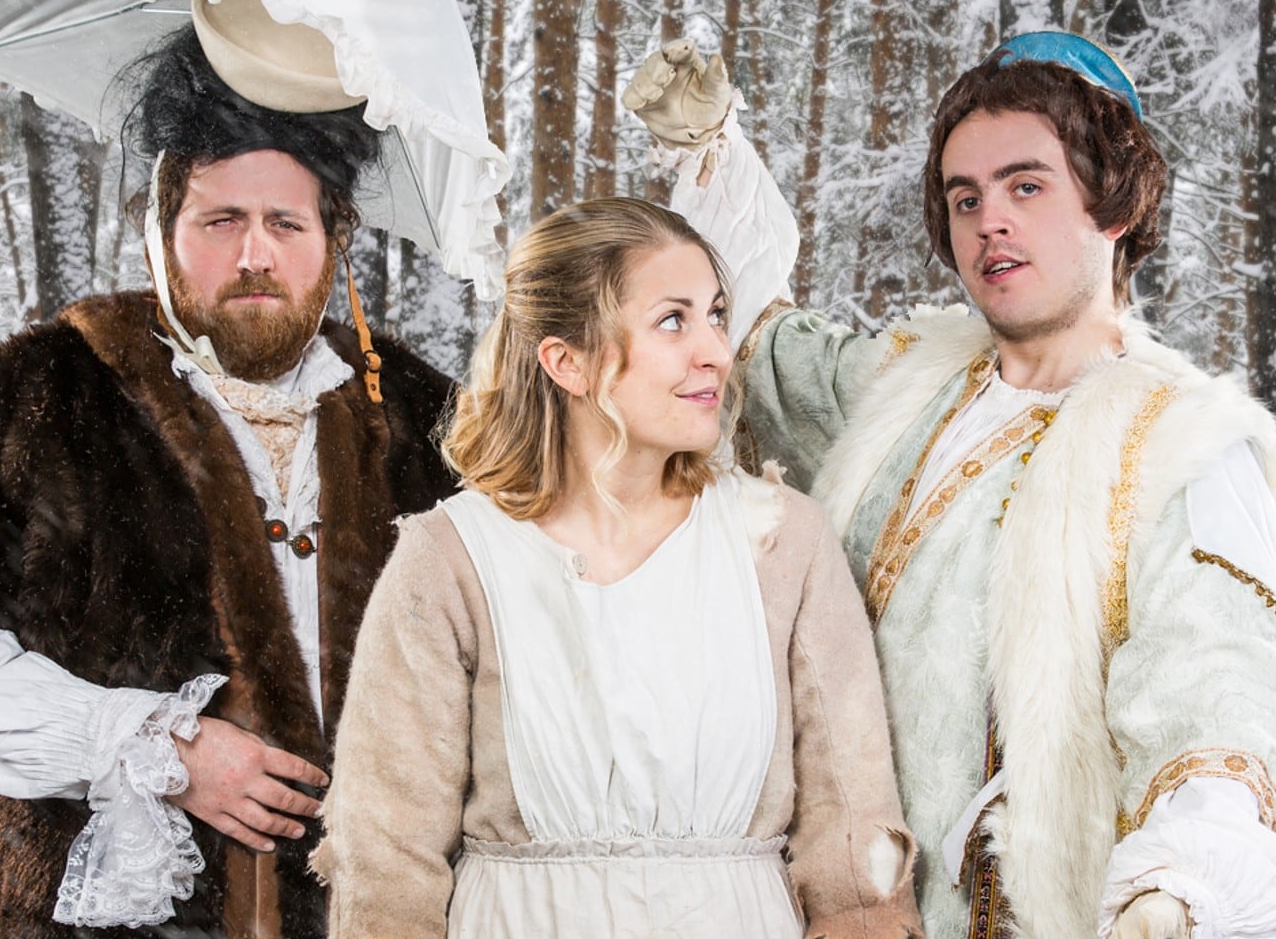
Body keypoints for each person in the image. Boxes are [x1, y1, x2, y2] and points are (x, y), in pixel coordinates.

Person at [620, 34, 1276, 939]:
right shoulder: (905, 386)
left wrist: (1175, 889)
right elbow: (763, 345)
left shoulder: (1177, 444)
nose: (990, 220)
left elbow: (1216, 690)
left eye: (1025, 187)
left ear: (1114, 204)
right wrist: (711, 152)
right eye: (966, 198)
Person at [0, 0, 458, 938]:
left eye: (286, 224)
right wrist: (159, 749)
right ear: (163, 232)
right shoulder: (48, 393)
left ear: (334, 242)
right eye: (221, 220)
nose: (255, 255)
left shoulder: (418, 415)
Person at [312, 198, 925, 938]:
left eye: (716, 315)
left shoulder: (782, 540)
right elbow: (385, 858)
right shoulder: (452, 557)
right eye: (673, 321)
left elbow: (853, 838)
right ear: (567, 361)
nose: (716, 351)